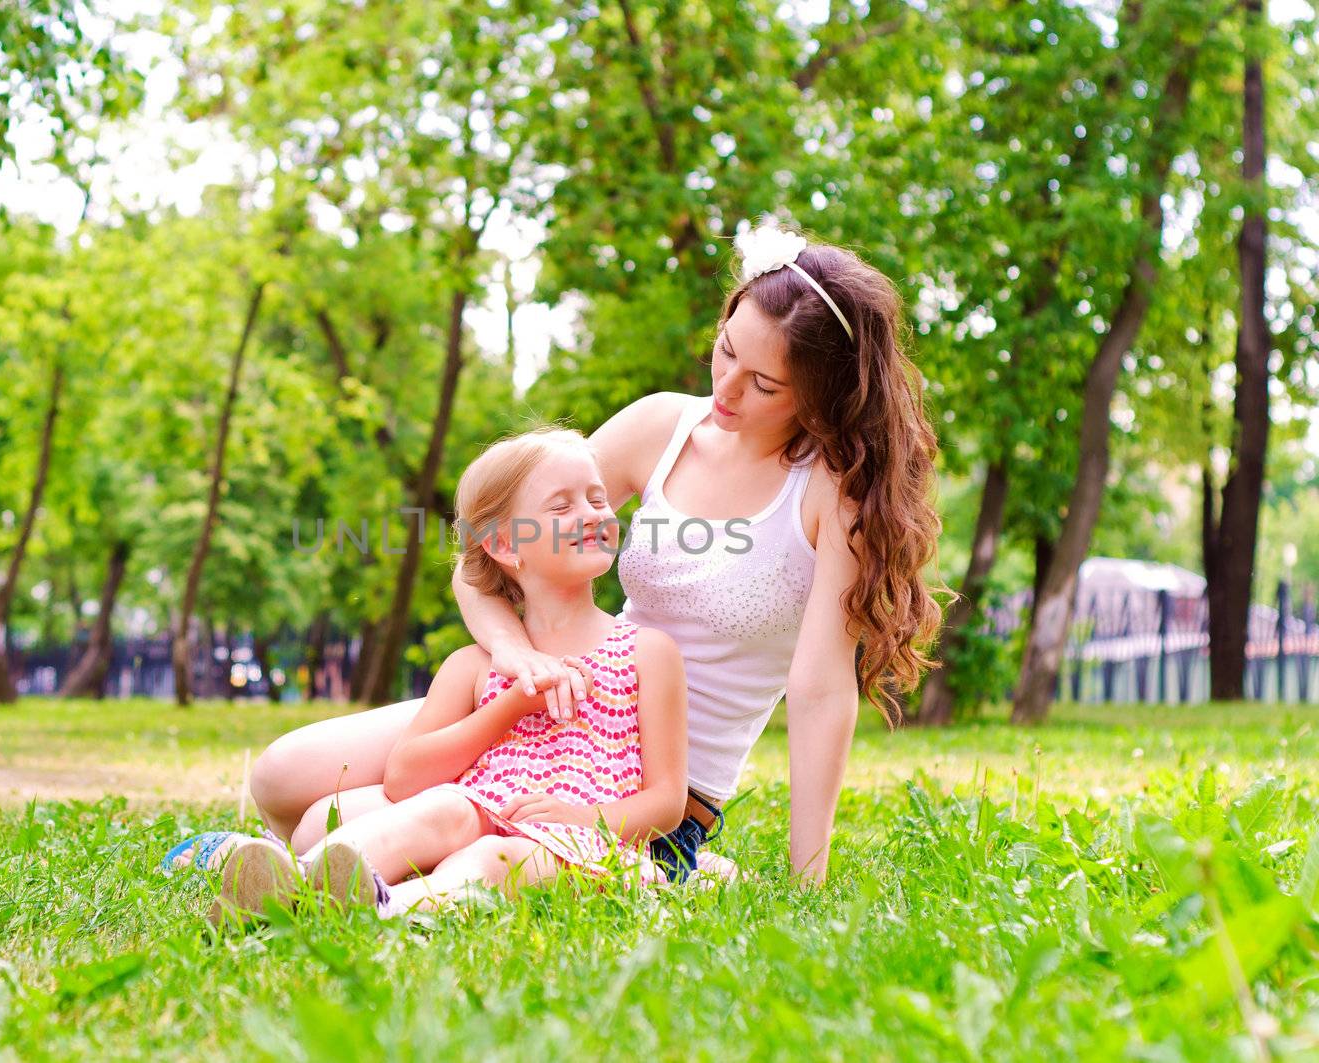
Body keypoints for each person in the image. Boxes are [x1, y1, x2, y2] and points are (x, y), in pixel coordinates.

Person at [243, 219, 949, 886]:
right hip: (547, 707)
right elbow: (491, 546)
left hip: (643, 771)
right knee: (285, 781)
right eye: (727, 349)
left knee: (368, 828)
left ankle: (662, 866)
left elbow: (822, 686)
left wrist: (808, 876)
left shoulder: (833, 493)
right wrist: (514, 652)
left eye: (763, 384)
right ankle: (319, 864)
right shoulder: (662, 425)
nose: (724, 388)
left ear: (821, 392)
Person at [204, 428, 687, 920]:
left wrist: (584, 819)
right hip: (481, 815)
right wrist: (510, 706)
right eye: (561, 507)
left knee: (490, 859)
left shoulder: (646, 652)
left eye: (597, 499)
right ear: (505, 544)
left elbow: (668, 801)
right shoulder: (474, 666)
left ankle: (385, 910)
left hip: (581, 849)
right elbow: (405, 775)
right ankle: (296, 883)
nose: (592, 514)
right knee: (444, 809)